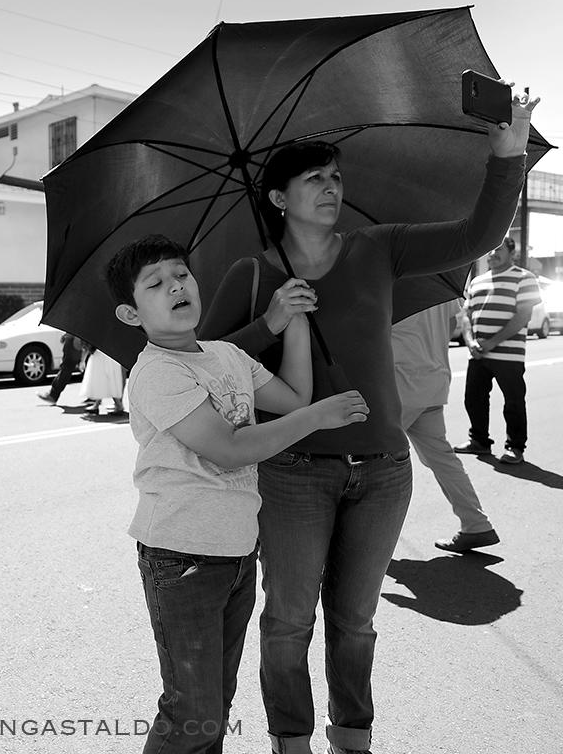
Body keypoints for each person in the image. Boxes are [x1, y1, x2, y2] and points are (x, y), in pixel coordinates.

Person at [198, 90, 536, 754]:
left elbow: (477, 236)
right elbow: (203, 369)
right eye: (314, 180)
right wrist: (268, 321)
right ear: (278, 199)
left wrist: (508, 155)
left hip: (383, 471)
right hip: (293, 475)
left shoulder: (377, 249)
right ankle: (291, 740)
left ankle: (353, 737)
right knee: (290, 622)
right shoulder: (253, 272)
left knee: (355, 622)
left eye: (336, 178)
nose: (331, 188)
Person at [108, 235, 367, 754]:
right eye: (155, 283)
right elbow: (228, 449)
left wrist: (294, 318)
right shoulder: (157, 372)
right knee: (191, 710)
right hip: (181, 557)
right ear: (132, 314)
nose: (176, 286)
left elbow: (293, 395)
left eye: (181, 273)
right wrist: (316, 418)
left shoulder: (226, 355)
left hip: (235, 553)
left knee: (214, 705)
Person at [393, 301, 499, 552]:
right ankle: (476, 523)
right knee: (441, 458)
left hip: (400, 383)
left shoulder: (394, 280)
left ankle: (363, 542)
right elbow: (455, 321)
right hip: (433, 378)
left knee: (372, 461)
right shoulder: (436, 279)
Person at [452, 236, 541, 465]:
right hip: (478, 353)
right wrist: (470, 341)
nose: (492, 254)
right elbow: (467, 316)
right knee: (473, 399)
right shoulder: (477, 282)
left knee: (513, 401)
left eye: (498, 249)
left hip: (508, 354)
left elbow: (523, 316)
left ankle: (515, 447)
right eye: (489, 250)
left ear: (512, 252)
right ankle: (479, 441)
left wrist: (492, 342)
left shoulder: (525, 278)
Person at [78, 343, 126, 415]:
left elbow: (89, 344)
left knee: (102, 380)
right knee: (104, 380)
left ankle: (118, 405)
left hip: (101, 356)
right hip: (109, 355)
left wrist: (82, 360)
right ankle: (99, 405)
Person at [39, 333, 82, 404]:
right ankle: (93, 396)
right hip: (74, 339)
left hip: (75, 340)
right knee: (67, 368)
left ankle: (53, 395)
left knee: (66, 369)